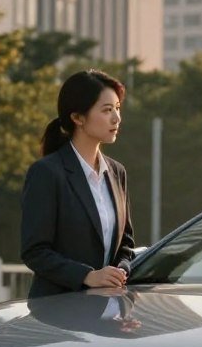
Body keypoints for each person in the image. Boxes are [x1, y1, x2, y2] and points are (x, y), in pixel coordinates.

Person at [21, 69, 135, 298]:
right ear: (78, 118)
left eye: (117, 108)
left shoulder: (117, 172)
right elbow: (35, 251)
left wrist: (121, 270)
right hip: (56, 308)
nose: (116, 118)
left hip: (106, 308)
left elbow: (126, 244)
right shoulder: (47, 173)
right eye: (107, 110)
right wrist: (87, 276)